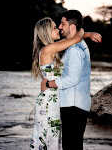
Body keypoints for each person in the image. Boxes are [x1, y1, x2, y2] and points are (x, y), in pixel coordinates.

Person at [30, 17, 101, 150]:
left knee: (51, 138)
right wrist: (84, 31)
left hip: (54, 100)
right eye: (54, 28)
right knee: (47, 138)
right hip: (49, 102)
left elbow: (72, 39)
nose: (58, 29)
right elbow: (75, 39)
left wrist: (87, 34)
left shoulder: (51, 48)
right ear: (46, 32)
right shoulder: (48, 49)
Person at [41, 10, 91, 150]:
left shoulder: (75, 49)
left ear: (72, 27)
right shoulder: (74, 46)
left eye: (62, 24)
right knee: (73, 145)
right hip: (75, 103)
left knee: (71, 146)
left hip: (73, 105)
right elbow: (76, 37)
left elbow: (73, 79)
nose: (60, 27)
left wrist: (48, 83)